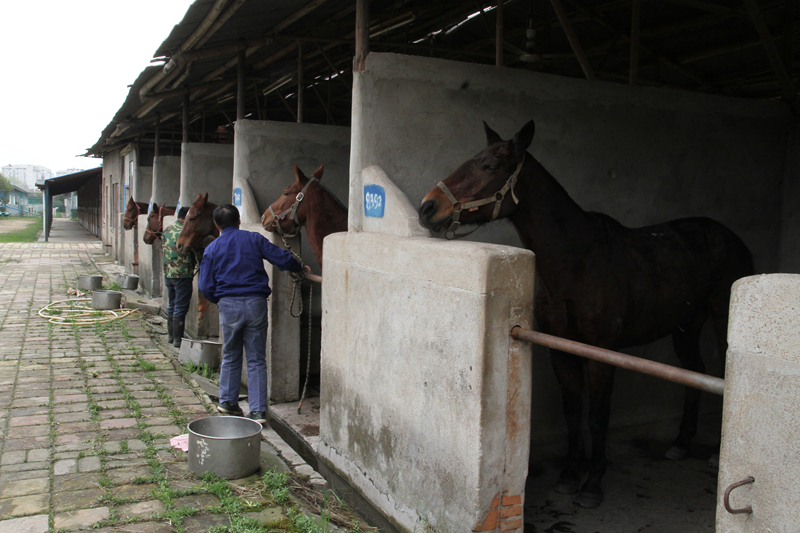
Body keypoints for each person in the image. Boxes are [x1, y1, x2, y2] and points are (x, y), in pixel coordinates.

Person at [198, 204, 307, 424]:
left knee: (230, 354)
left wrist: (221, 300)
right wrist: (298, 266)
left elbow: (205, 286)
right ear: (239, 221)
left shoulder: (212, 248)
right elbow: (280, 257)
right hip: (256, 303)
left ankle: (228, 402)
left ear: (217, 226)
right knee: (257, 358)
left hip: (228, 305)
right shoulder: (254, 239)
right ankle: (258, 411)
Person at [161, 206, 197, 348]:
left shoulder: (167, 230)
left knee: (172, 304)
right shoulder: (186, 232)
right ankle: (178, 340)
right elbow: (195, 250)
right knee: (181, 307)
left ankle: (171, 337)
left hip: (168, 273)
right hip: (183, 274)